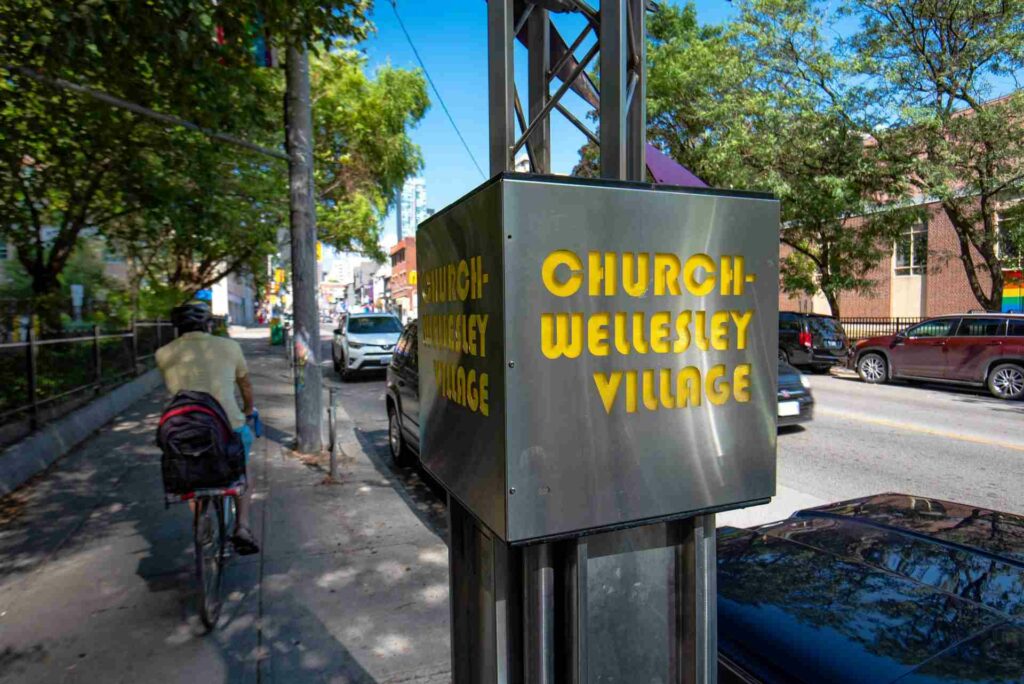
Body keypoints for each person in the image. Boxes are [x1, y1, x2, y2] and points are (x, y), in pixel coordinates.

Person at [156, 301, 260, 555]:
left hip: (183, 428)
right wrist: (248, 411)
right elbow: (246, 386)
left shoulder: (163, 353)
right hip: (228, 426)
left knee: (191, 474)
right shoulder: (229, 347)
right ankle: (242, 526)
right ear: (208, 325)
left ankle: (200, 520)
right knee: (244, 470)